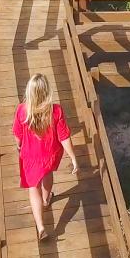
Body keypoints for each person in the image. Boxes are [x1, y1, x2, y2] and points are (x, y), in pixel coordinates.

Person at [11, 73, 78, 241]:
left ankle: (41, 227)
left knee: (34, 188)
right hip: (50, 154)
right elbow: (64, 137)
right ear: (47, 92)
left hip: (30, 156)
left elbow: (17, 136)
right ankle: (47, 200)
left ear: (29, 92)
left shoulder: (22, 110)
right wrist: (73, 157)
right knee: (47, 176)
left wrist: (19, 145)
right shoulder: (55, 111)